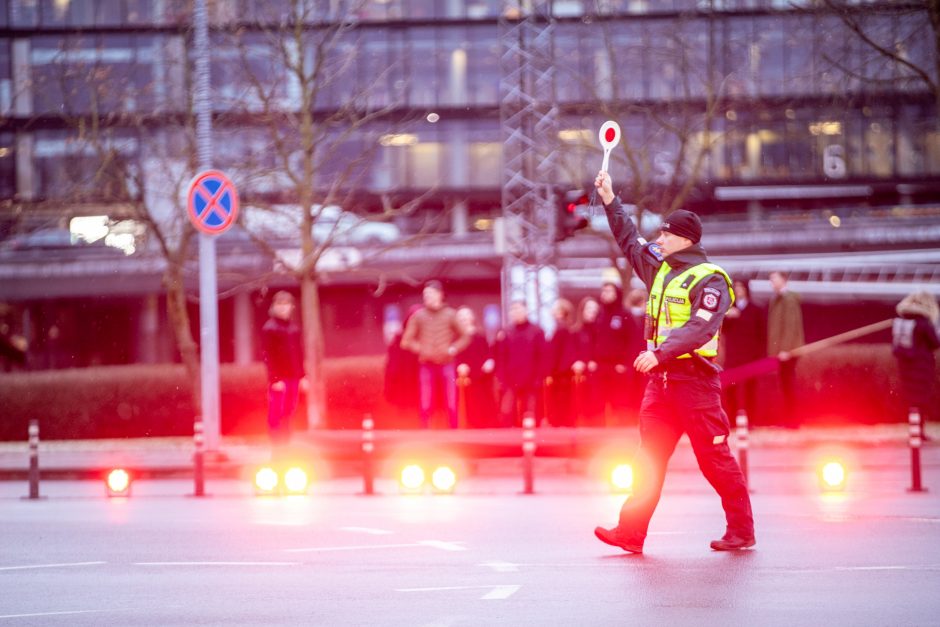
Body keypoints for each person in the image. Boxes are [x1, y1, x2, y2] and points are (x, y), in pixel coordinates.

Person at [592, 170, 755, 553]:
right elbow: (628, 239)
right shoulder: (659, 267)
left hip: (695, 385)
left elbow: (700, 329)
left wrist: (659, 353)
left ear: (684, 239)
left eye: (665, 234)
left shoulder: (711, 280)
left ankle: (742, 531)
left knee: (715, 462)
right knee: (646, 462)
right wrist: (610, 198)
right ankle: (631, 533)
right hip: (661, 387)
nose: (658, 239)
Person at [400, 280, 469, 429]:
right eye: (425, 294)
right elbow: (406, 340)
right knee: (425, 403)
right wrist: (421, 349)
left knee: (451, 402)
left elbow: (466, 336)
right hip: (426, 364)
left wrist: (453, 348)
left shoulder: (450, 314)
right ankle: (425, 435)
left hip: (447, 363)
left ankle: (453, 433)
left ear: (439, 295)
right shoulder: (419, 316)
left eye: (430, 294)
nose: (427, 297)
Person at [261, 291, 307, 452]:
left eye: (286, 304)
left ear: (291, 307)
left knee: (289, 411)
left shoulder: (294, 328)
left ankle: (286, 445)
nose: (283, 308)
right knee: (277, 413)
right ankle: (277, 447)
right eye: (279, 304)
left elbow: (299, 354)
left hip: (293, 377)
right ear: (274, 307)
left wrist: (302, 376)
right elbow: (269, 356)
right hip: (280, 379)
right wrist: (274, 379)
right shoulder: (270, 329)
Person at [892, 291, 940, 440]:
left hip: (906, 367)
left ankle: (914, 431)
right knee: (921, 400)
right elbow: (935, 343)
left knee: (912, 401)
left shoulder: (903, 320)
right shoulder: (924, 323)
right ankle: (919, 432)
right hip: (922, 367)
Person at [494, 300, 546, 428]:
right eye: (513, 310)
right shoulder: (506, 332)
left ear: (526, 311)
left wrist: (539, 377)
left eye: (519, 309)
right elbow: (501, 357)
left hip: (532, 379)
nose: (515, 312)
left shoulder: (536, 331)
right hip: (511, 379)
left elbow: (543, 356)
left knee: (531, 415)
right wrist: (502, 377)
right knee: (507, 413)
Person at [721, 278, 765, 425]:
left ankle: (751, 421)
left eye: (741, 288)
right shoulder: (729, 310)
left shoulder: (756, 309)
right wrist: (727, 317)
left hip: (750, 355)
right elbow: (722, 331)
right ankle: (732, 421)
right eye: (736, 288)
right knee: (730, 389)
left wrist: (760, 355)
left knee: (750, 389)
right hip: (733, 355)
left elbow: (761, 334)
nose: (738, 291)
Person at [595, 281, 640, 426]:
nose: (605, 294)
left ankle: (621, 432)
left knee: (621, 401)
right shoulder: (599, 315)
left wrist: (626, 363)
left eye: (609, 291)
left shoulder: (624, 315)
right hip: (601, 366)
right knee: (600, 400)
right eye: (604, 291)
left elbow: (634, 341)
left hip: (619, 366)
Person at [767, 270, 804, 429]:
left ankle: (793, 420)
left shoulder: (788, 299)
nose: (772, 283)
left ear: (784, 280)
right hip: (780, 352)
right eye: (771, 280)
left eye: (774, 279)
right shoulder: (776, 299)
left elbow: (790, 326)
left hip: (788, 352)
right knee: (784, 385)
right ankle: (789, 419)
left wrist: (785, 349)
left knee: (789, 384)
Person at [454, 307, 496, 428]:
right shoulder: (456, 338)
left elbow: (488, 352)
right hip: (466, 376)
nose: (464, 319)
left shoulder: (480, 335)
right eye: (461, 317)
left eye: (466, 316)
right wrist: (459, 365)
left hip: (482, 375)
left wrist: (489, 361)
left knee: (485, 400)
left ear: (472, 318)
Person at [384, 304, 422, 426]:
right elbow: (392, 364)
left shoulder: (425, 338)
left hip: (419, 379)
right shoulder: (398, 338)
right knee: (404, 414)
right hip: (403, 380)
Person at [545, 298, 579, 427]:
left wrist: (552, 370)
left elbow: (556, 352)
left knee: (560, 398)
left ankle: (560, 422)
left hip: (559, 371)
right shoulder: (564, 327)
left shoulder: (560, 328)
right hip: (561, 370)